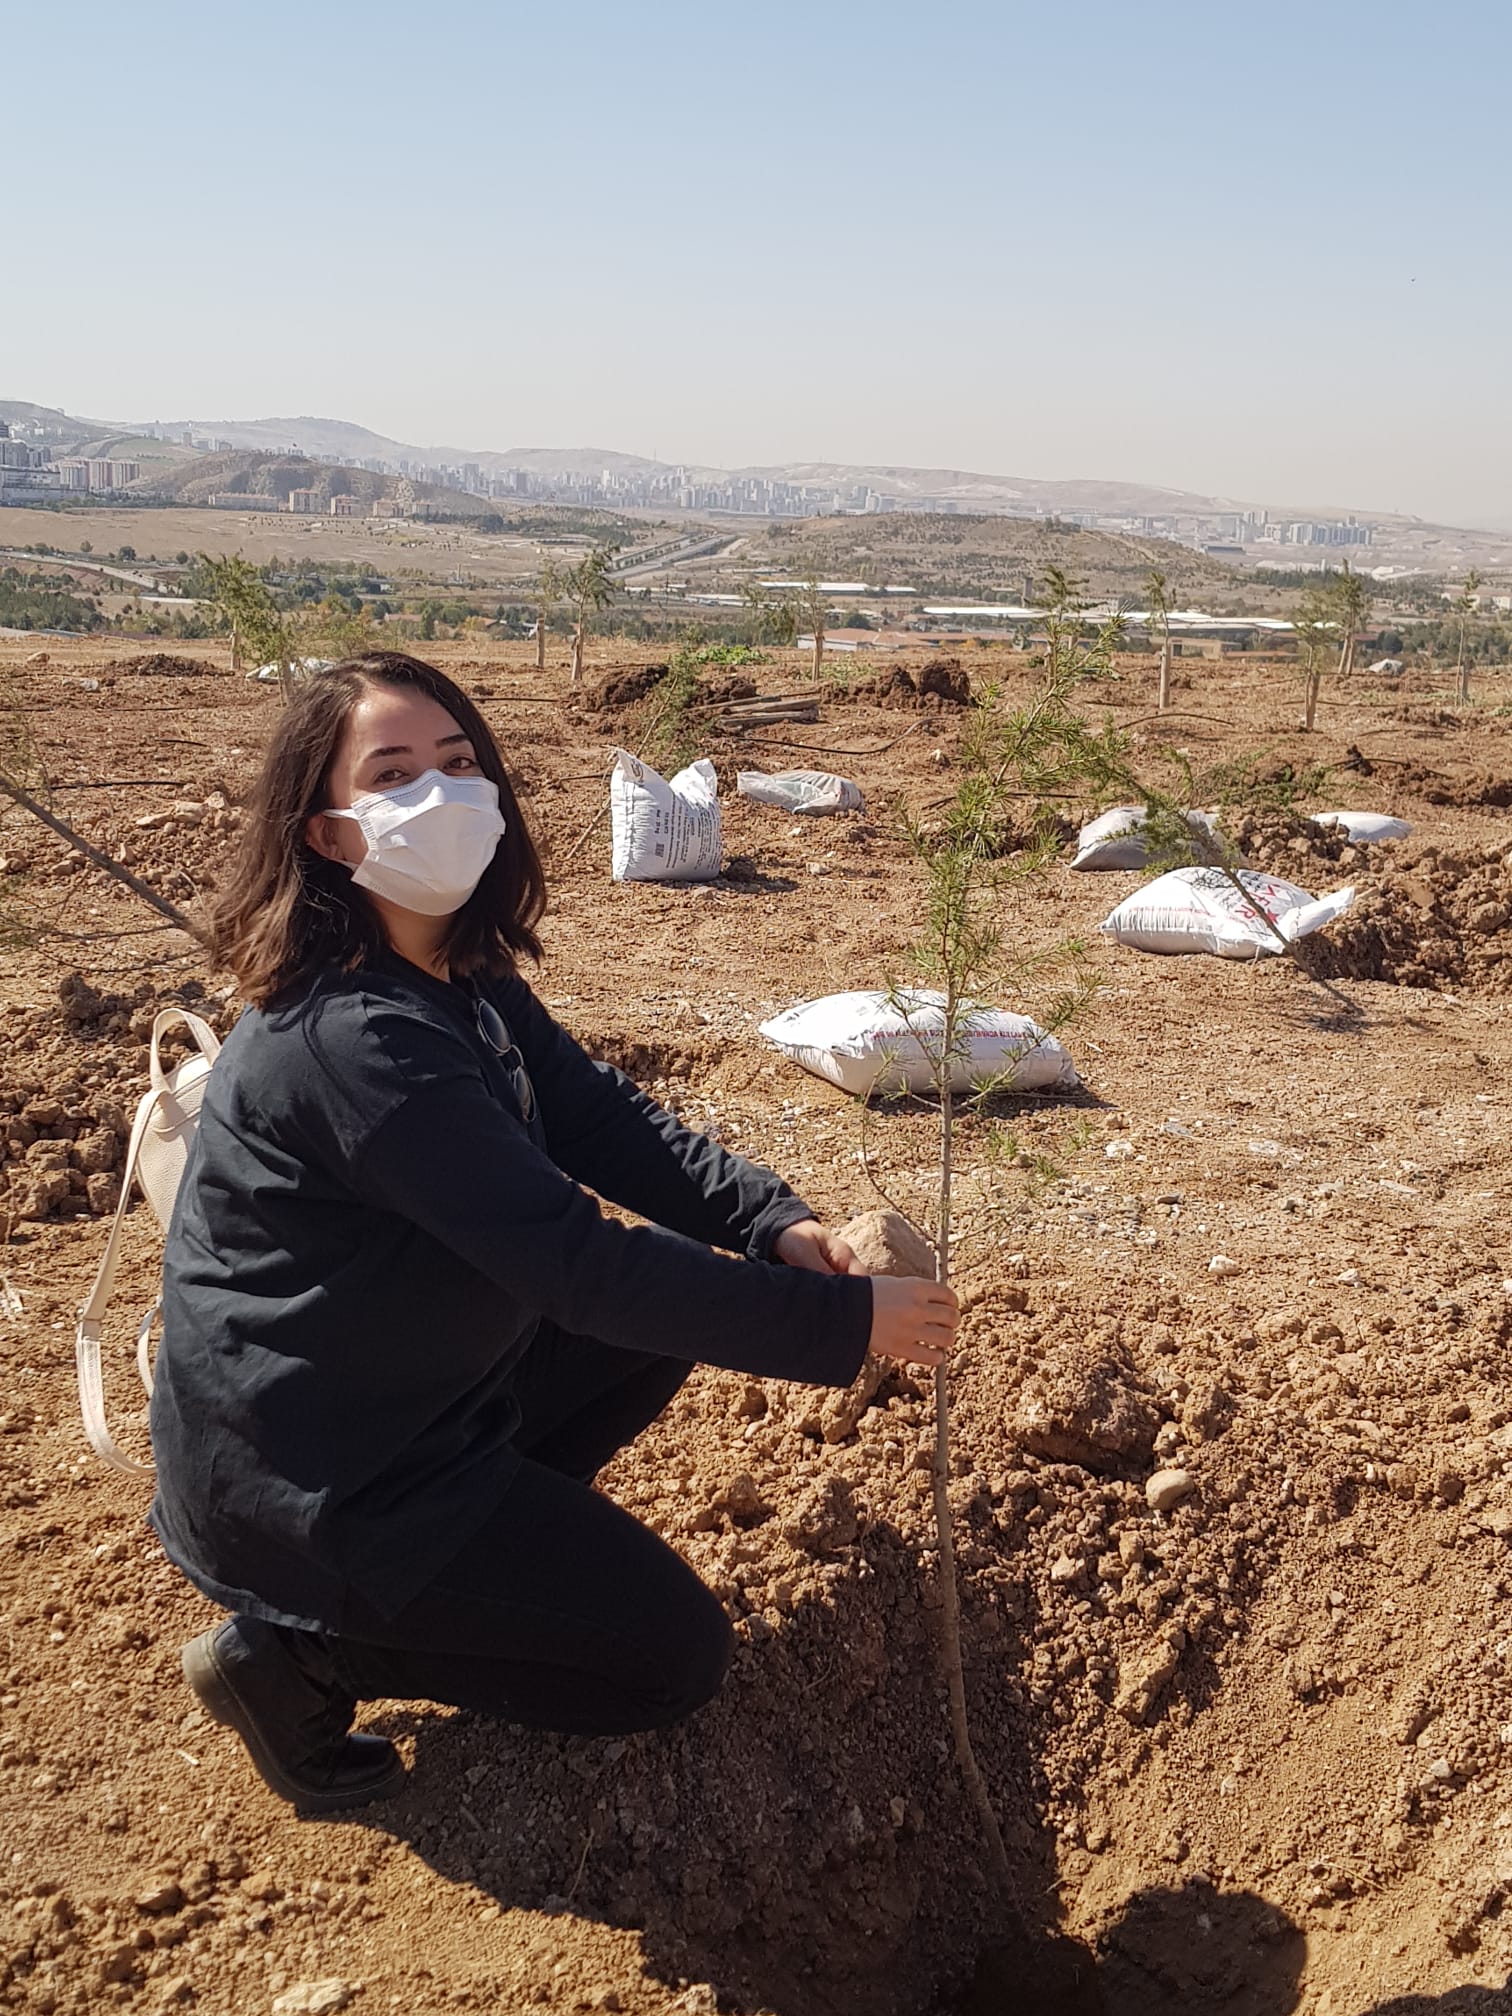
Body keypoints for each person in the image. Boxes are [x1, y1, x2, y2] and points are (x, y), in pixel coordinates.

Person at [151, 650, 958, 1813]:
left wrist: (769, 1220)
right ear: (328, 834)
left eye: (458, 760)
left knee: (667, 1313)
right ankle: (302, 1652)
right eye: (393, 775)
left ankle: (468, 1560)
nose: (443, 791)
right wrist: (841, 1323)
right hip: (316, 1473)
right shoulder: (357, 1041)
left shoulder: (448, 967)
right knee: (668, 1659)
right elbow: (581, 1269)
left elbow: (595, 1115)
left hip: (400, 1390)